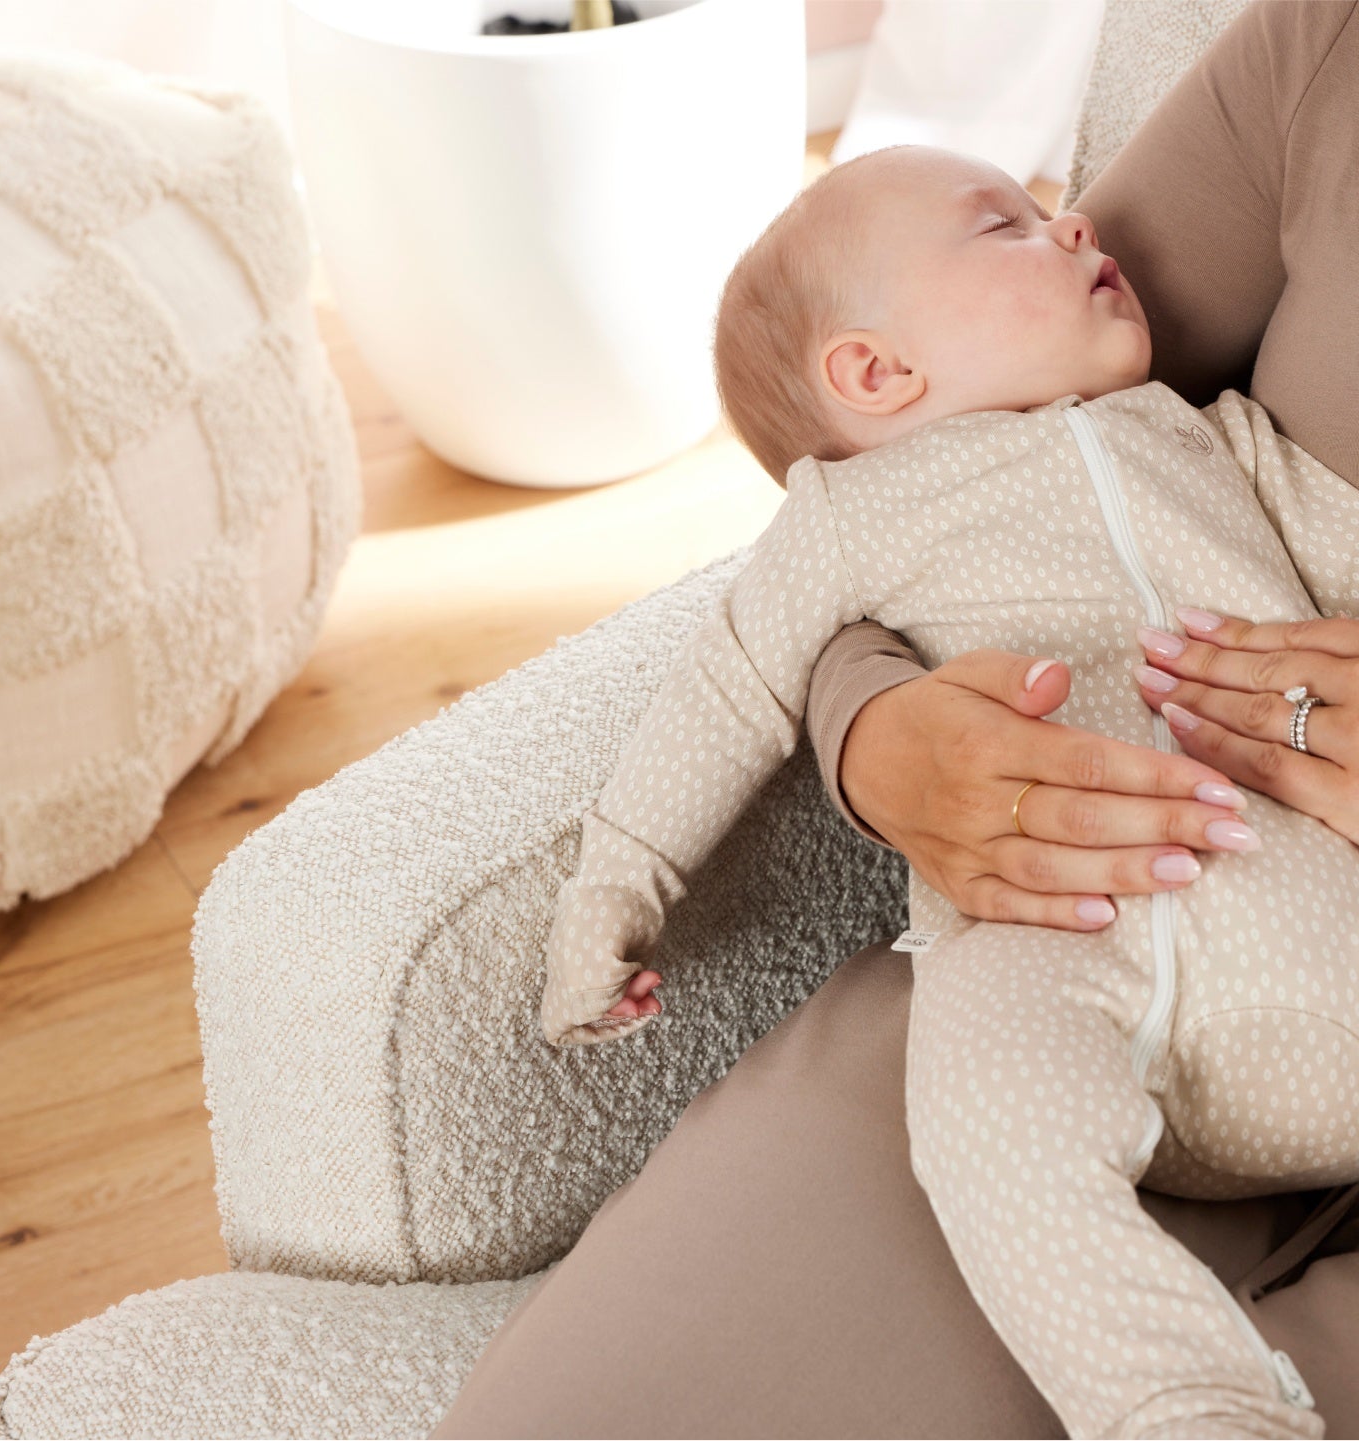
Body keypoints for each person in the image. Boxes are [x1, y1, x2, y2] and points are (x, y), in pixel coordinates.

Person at [430, 3, 1359, 1436]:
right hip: (1060, 950)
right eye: (1012, 225)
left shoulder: (1205, 445)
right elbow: (731, 686)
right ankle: (1187, 1405)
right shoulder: (854, 517)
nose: (1074, 224)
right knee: (983, 1111)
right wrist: (622, 884)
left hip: (1314, 917)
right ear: (876, 375)